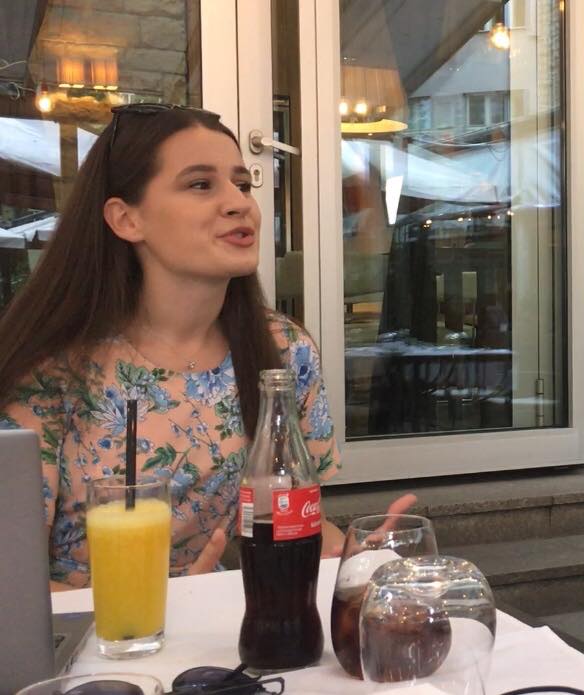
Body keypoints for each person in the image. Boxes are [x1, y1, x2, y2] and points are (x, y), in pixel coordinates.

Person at [0, 104, 413, 591]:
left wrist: (353, 560)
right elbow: (11, 586)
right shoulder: (52, 368)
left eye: (243, 184)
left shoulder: (283, 351)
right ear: (126, 219)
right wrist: (155, 604)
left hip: (216, 624)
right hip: (81, 632)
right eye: (201, 184)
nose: (239, 203)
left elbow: (297, 522)